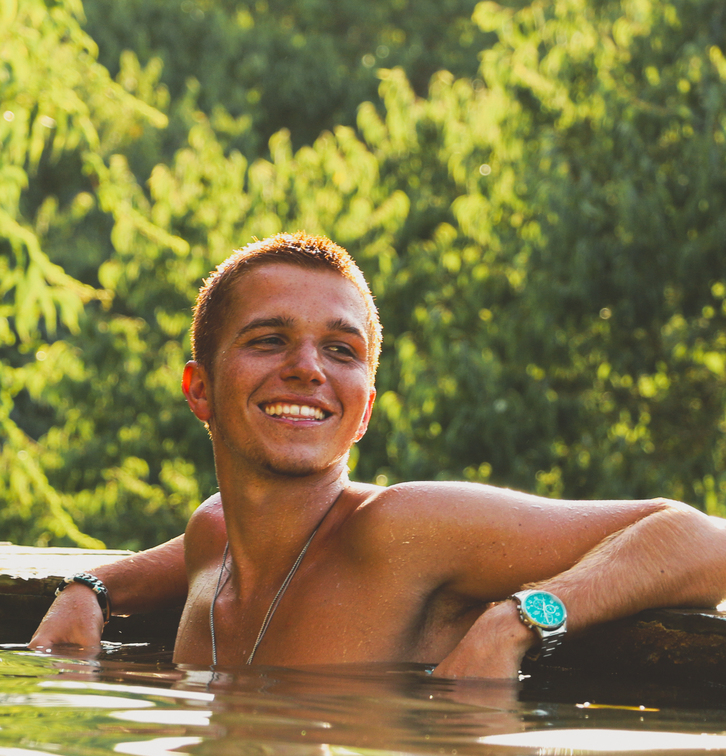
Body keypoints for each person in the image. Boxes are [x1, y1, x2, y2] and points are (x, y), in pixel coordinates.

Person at [29, 233, 726, 678]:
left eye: (341, 350)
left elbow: (703, 539)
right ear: (200, 389)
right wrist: (90, 589)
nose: (308, 369)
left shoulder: (401, 531)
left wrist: (518, 622)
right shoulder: (215, 539)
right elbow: (199, 542)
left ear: (363, 409)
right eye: (269, 340)